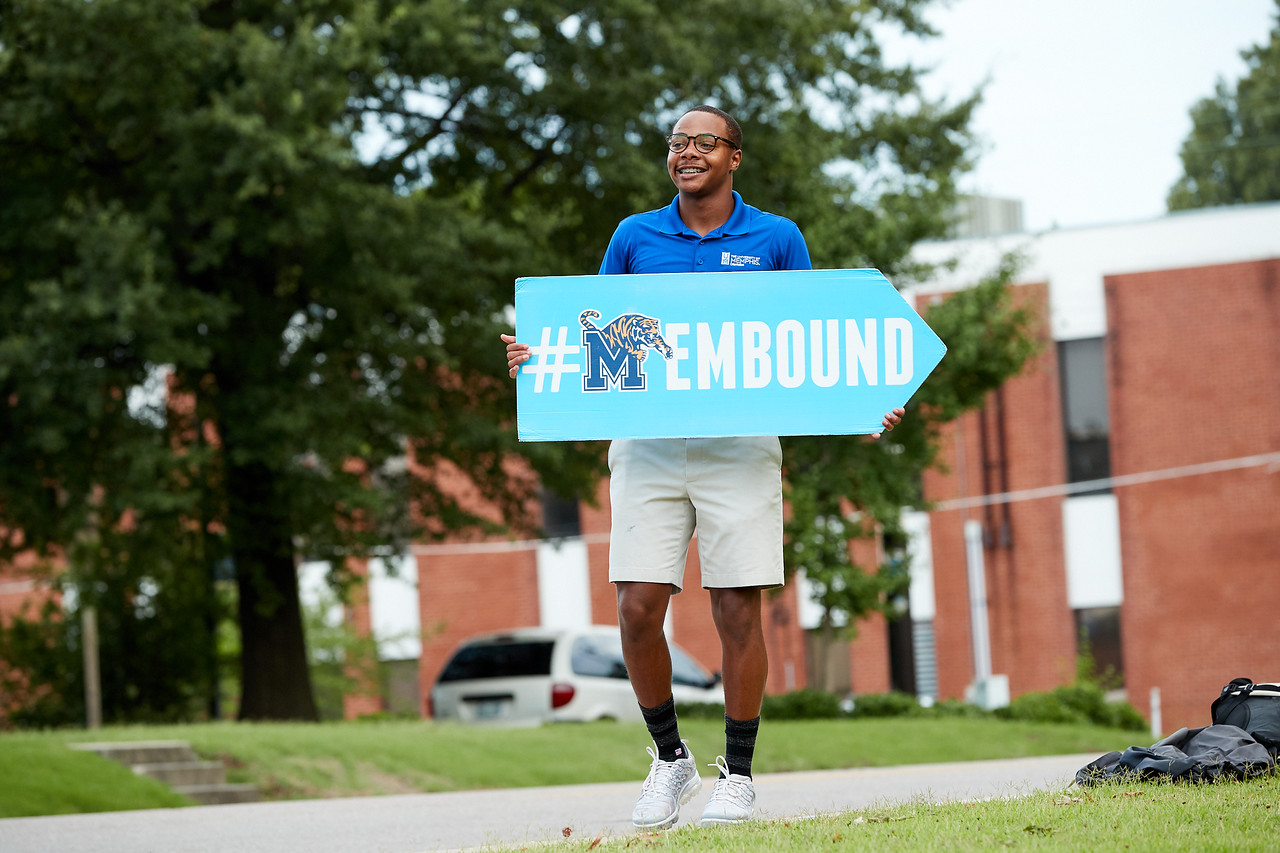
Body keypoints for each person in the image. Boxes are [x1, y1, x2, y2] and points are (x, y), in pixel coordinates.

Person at [502, 105, 903, 829]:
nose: (687, 152)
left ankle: (738, 776)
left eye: (704, 142)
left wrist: (865, 400)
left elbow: (815, 342)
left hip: (740, 445)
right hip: (648, 445)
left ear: (734, 158)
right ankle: (669, 757)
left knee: (735, 610)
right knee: (636, 607)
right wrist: (541, 360)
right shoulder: (634, 235)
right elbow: (588, 334)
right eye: (678, 143)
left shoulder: (776, 239)